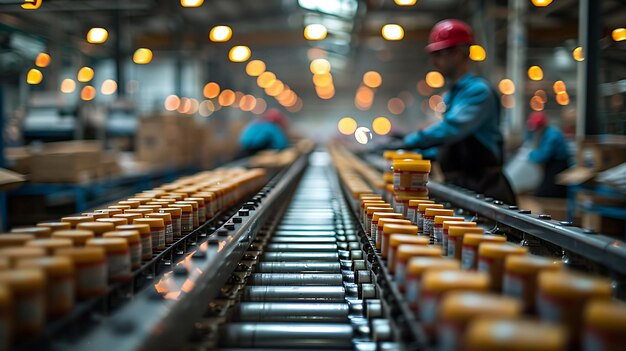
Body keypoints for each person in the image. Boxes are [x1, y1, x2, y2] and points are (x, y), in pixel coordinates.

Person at [387, 19, 517, 205]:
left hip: (485, 189)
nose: (434, 62)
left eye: (439, 54)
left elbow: (451, 129)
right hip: (462, 186)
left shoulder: (478, 92)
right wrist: (412, 154)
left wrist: (409, 141)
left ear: (458, 53)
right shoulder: (452, 95)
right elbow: (449, 145)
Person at [527, 111, 571, 197]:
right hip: (551, 166)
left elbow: (543, 155)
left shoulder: (553, 135)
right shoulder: (546, 133)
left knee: (547, 193)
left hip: (558, 166)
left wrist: (531, 155)